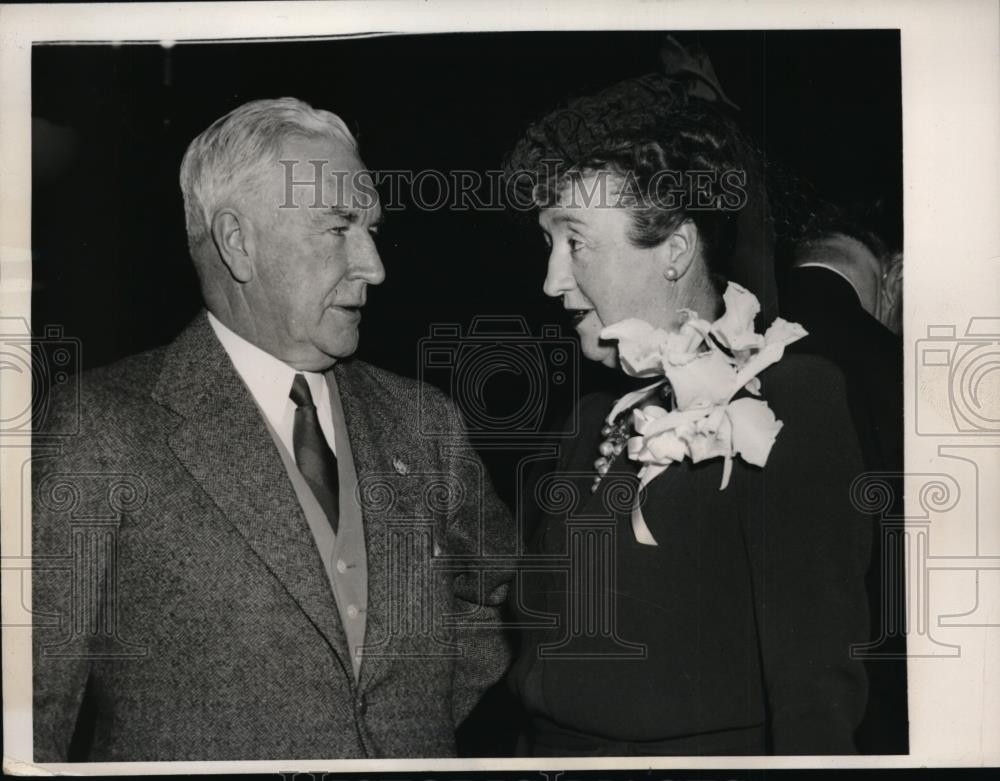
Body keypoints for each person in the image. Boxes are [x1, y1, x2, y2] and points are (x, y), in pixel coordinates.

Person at [32, 97, 514, 761]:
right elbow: (33, 703)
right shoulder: (101, 427)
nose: (374, 265)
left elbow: (493, 605)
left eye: (371, 229)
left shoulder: (423, 421)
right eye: (339, 227)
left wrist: (400, 727)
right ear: (238, 242)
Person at [503, 66, 873, 755]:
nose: (552, 280)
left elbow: (815, 698)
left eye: (575, 242)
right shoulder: (589, 422)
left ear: (674, 249)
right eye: (548, 246)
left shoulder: (791, 398)